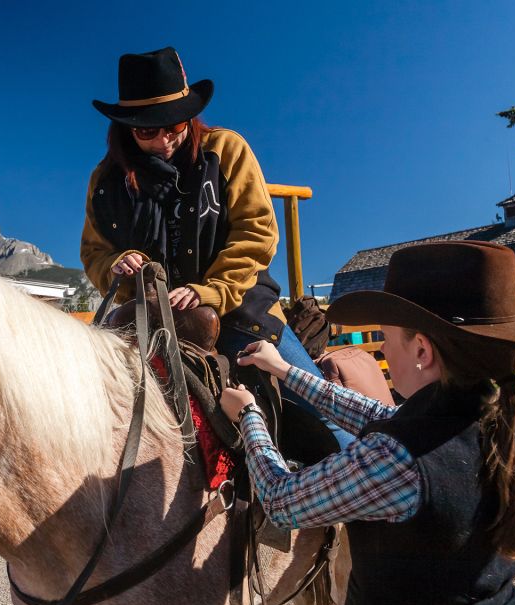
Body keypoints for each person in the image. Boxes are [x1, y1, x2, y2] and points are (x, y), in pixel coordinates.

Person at [221, 241, 515, 605]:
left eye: (386, 337)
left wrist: (249, 417)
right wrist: (284, 371)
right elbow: (375, 413)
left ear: (422, 350)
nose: (381, 348)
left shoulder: (397, 458)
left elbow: (282, 501)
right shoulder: (498, 415)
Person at [81, 46, 352, 446]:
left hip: (242, 311)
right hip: (150, 324)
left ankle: (371, 498)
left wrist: (210, 291)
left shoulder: (225, 150)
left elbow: (257, 231)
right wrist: (117, 265)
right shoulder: (105, 181)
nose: (164, 139)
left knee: (321, 407)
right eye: (147, 131)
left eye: (173, 125)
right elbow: (94, 252)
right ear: (126, 129)